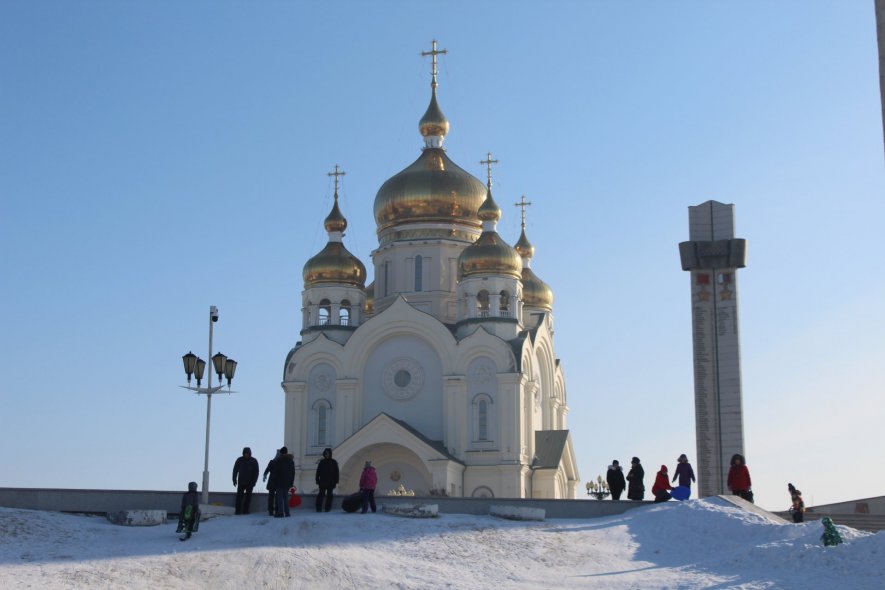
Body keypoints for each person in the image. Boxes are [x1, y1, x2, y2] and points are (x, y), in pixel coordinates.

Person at [232, 447, 260, 515]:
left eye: (247, 453)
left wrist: (254, 482)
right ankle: (237, 511)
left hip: (250, 483)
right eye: (245, 453)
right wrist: (234, 479)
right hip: (241, 482)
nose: (246, 455)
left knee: (248, 498)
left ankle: (245, 510)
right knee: (239, 497)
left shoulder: (254, 461)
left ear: (250, 453)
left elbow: (256, 472)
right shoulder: (239, 460)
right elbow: (235, 470)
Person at [315, 447, 339, 513]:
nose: (327, 455)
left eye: (328, 453)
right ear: (324, 454)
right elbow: (318, 472)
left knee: (329, 496)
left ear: (330, 454)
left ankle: (327, 508)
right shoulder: (322, 462)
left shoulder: (334, 462)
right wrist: (317, 480)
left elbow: (336, 472)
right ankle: (318, 508)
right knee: (321, 495)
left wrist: (336, 481)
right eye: (326, 453)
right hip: (322, 482)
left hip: (331, 482)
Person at [273, 447, 295, 518]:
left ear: (281, 453)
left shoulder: (279, 460)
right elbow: (293, 473)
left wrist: (274, 481)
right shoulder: (291, 461)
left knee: (280, 498)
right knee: (285, 498)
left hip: (279, 482)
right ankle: (287, 512)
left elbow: (276, 472)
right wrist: (291, 482)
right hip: (287, 482)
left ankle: (280, 513)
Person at [263, 448, 281, 516]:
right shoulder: (273, 462)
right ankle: (271, 510)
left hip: (276, 482)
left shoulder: (278, 463)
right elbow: (267, 469)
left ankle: (275, 510)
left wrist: (265, 475)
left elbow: (267, 470)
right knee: (272, 497)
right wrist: (265, 475)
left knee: (275, 497)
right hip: (274, 482)